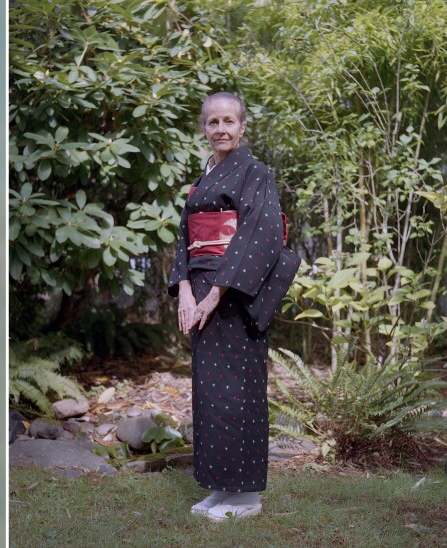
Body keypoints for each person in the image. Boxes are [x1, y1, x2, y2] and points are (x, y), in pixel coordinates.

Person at [168, 91, 297, 522]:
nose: (221, 129)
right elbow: (185, 234)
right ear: (203, 128)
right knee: (210, 392)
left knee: (238, 390)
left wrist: (215, 293)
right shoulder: (204, 178)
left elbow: (259, 234)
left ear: (243, 127)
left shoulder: (256, 172)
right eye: (212, 122)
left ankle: (246, 498)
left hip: (236, 293)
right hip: (203, 287)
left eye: (229, 122)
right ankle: (221, 487)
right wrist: (185, 289)